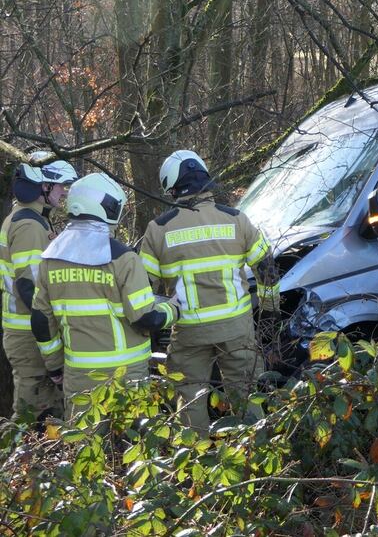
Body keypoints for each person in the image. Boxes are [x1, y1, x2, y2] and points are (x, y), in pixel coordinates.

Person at [138, 150, 277, 432]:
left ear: (172, 187)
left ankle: (196, 461)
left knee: (189, 397)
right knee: (247, 392)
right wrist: (270, 311)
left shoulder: (158, 229)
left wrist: (150, 328)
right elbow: (267, 268)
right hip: (236, 328)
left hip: (189, 330)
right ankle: (255, 452)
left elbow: (142, 289)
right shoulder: (237, 219)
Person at [29, 173, 179, 420]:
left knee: (86, 450)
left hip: (79, 375)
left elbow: (41, 321)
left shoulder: (49, 259)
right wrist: (174, 309)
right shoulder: (123, 258)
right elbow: (145, 318)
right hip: (127, 375)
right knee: (136, 448)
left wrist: (55, 367)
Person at [0, 151, 77, 420]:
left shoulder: (29, 219)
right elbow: (29, 287)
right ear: (44, 186)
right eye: (60, 186)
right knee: (34, 417)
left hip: (26, 332)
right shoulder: (29, 225)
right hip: (29, 336)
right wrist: (49, 336)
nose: (64, 192)